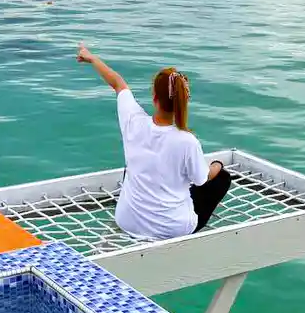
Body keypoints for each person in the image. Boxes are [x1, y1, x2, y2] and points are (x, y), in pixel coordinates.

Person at [76, 43, 231, 240]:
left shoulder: (133, 121)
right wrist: (217, 165)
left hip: (127, 221)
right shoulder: (187, 141)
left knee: (133, 163)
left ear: (154, 97)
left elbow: (117, 83)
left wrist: (92, 58)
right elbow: (202, 179)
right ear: (183, 102)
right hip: (172, 230)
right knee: (222, 178)